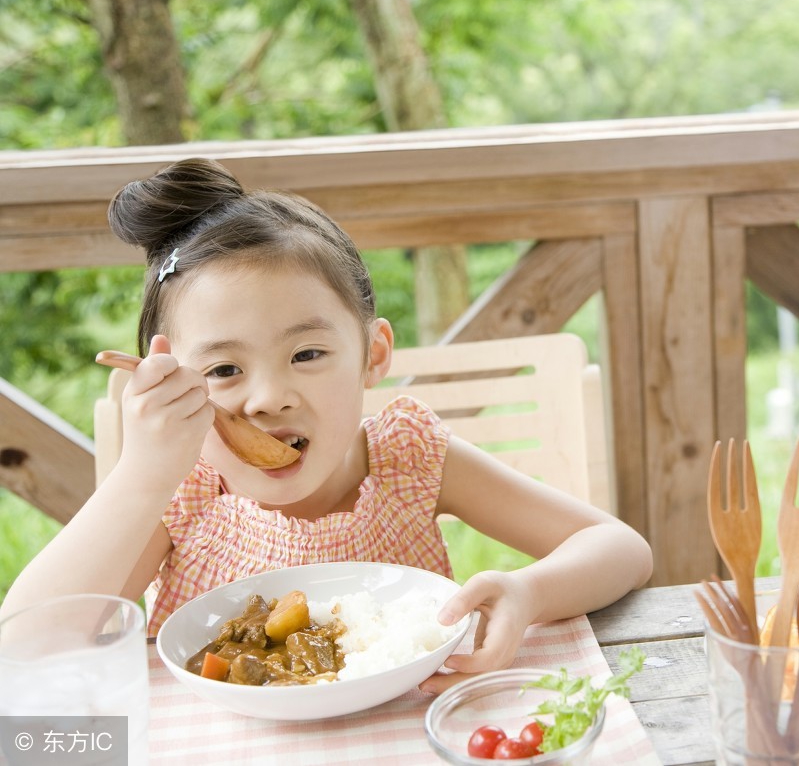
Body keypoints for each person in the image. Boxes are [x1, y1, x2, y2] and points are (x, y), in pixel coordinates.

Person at [0, 158, 653, 684]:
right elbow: (27, 643)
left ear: (372, 355)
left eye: (306, 354)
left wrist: (527, 590)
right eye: (225, 370)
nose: (269, 397)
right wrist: (142, 475)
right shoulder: (181, 489)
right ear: (173, 380)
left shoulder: (408, 458)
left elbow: (622, 550)